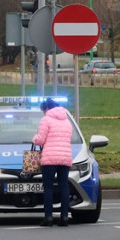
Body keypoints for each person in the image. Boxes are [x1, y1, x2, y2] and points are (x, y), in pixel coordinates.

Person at [32, 97, 74, 227]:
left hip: (50, 158)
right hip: (65, 157)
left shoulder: (46, 119)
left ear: (46, 108)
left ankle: (48, 217)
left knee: (48, 187)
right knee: (64, 186)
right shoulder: (67, 120)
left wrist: (34, 138)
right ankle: (65, 217)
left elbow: (40, 139)